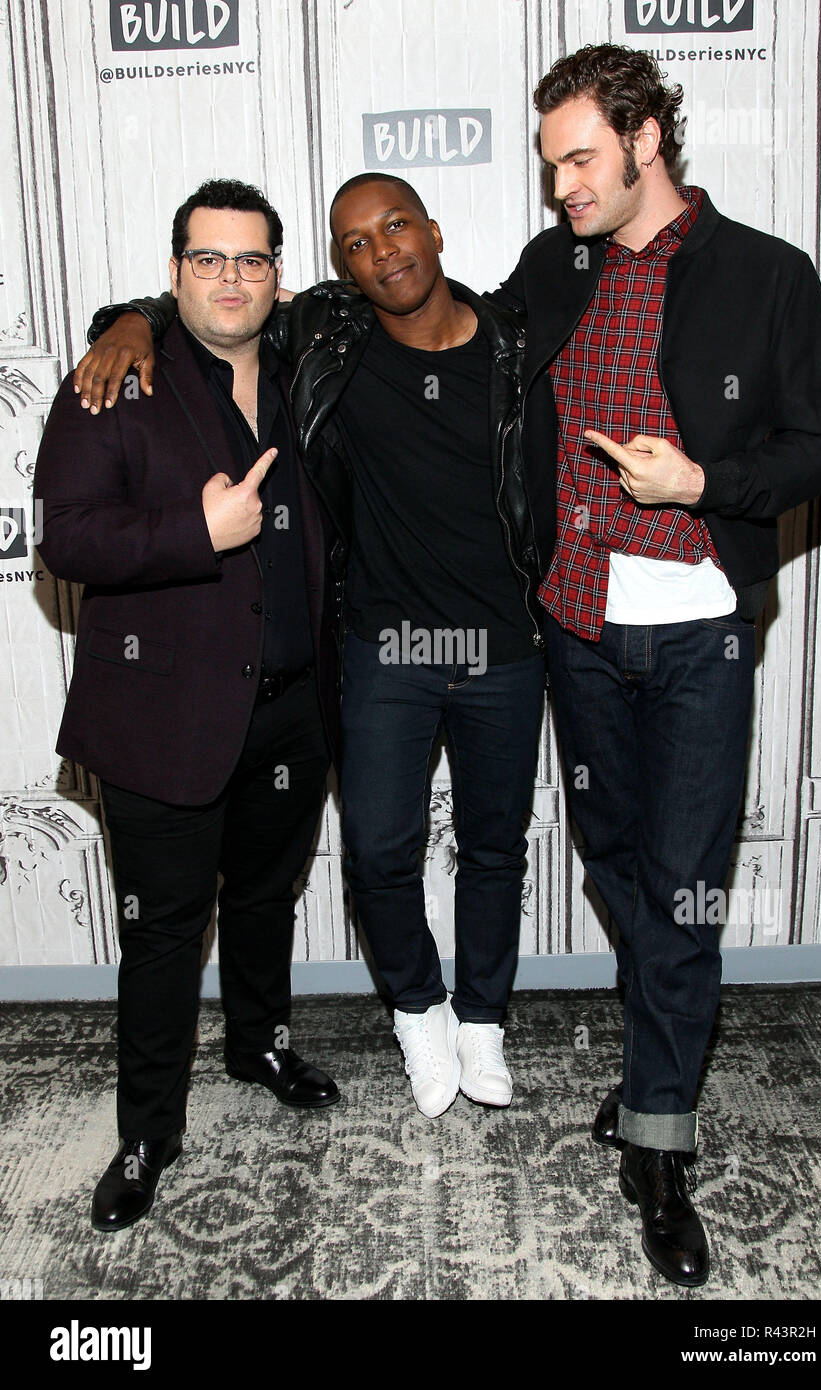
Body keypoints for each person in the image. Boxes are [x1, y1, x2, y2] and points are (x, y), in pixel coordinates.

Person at [71, 173, 552, 1121]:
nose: (384, 252)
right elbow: (209, 305)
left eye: (397, 227)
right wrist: (124, 321)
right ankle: (418, 1010)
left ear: (436, 229)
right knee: (378, 851)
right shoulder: (327, 337)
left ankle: (483, 1019)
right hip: (381, 650)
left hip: (503, 648)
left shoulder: (514, 341)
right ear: (339, 267)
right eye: (358, 243)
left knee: (495, 848)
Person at [489, 44, 821, 1285]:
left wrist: (702, 482)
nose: (561, 187)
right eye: (550, 166)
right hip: (573, 627)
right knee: (623, 866)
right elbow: (435, 340)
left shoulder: (763, 274)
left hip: (696, 627)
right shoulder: (555, 267)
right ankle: (658, 1055)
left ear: (646, 140)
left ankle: (657, 1137)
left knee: (685, 884)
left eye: (579, 158)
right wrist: (142, 322)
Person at [35, 178, 341, 1233]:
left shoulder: (313, 366)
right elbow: (66, 539)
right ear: (173, 275)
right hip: (162, 714)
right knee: (163, 932)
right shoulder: (117, 381)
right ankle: (147, 1129)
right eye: (206, 259)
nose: (229, 278)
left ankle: (258, 1043)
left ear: (278, 276)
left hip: (296, 710)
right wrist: (189, 535)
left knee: (263, 900)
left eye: (250, 259)